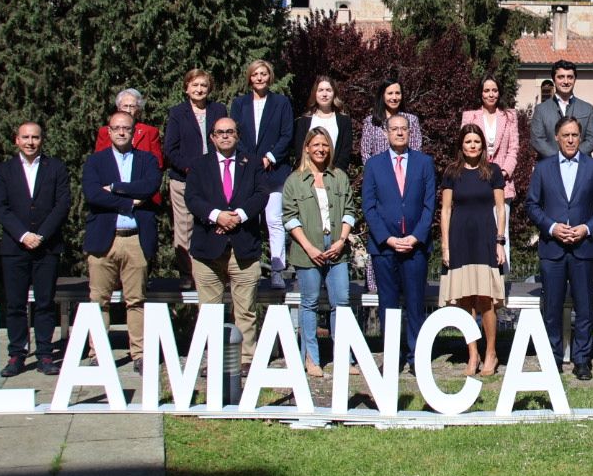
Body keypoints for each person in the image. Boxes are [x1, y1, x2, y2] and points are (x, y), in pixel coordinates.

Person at [525, 116, 593, 380]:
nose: (571, 140)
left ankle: (582, 359)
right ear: (557, 138)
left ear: (581, 137)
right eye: (566, 135)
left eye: (575, 135)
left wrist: (586, 228)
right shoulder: (542, 169)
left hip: (584, 247)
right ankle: (552, 357)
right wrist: (551, 227)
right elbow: (532, 205)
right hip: (553, 248)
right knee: (551, 307)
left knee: (584, 307)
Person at [184, 117, 270, 365]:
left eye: (229, 132)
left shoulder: (252, 163)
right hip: (207, 250)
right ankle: (213, 360)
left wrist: (238, 217)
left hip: (244, 247)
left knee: (245, 310)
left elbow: (261, 194)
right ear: (212, 137)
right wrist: (217, 216)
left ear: (237, 135)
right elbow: (192, 198)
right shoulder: (199, 165)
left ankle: (245, 359)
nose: (224, 136)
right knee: (209, 312)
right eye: (219, 132)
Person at [82, 111, 161, 371]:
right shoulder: (95, 162)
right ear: (109, 131)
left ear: (134, 130)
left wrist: (114, 188)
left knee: (136, 300)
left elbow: (150, 187)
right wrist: (129, 200)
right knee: (99, 300)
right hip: (105, 239)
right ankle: (97, 353)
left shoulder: (147, 160)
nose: (121, 132)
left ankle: (138, 354)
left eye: (126, 128)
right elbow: (93, 194)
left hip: (135, 239)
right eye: (116, 128)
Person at [0, 122, 71, 377]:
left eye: (35, 137)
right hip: (15, 247)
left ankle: (45, 354)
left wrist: (41, 235)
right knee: (15, 303)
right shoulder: (5, 170)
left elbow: (62, 204)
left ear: (42, 140)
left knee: (45, 303)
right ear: (16, 140)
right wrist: (24, 235)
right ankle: (17, 354)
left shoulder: (56, 168)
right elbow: (0, 206)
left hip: (46, 247)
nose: (30, 142)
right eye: (25, 137)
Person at [362, 113, 437, 369]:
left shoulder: (424, 163)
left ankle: (416, 358)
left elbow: (429, 206)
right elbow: (369, 208)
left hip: (416, 248)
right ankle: (392, 358)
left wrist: (416, 237)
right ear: (386, 133)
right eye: (394, 129)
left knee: (415, 305)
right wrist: (389, 239)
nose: (399, 133)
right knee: (388, 306)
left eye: (403, 129)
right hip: (385, 248)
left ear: (410, 132)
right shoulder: (373, 165)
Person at [282, 126, 354, 379]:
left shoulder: (339, 177)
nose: (321, 149)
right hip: (307, 249)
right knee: (309, 303)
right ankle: (311, 358)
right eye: (316, 145)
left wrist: (342, 240)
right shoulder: (294, 180)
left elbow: (349, 210)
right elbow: (289, 219)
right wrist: (310, 247)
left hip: (336, 249)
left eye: (325, 145)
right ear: (307, 148)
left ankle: (344, 357)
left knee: (342, 302)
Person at [439, 123, 507, 376]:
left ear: (482, 145)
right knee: (466, 301)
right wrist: (445, 247)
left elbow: (500, 209)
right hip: (459, 240)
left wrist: (500, 241)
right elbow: (445, 210)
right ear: (461, 145)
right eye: (468, 141)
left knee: (486, 300)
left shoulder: (492, 171)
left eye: (476, 141)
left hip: (485, 240)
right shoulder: (451, 172)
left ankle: (491, 353)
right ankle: (473, 354)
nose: (472, 145)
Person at [230, 59, 295, 289]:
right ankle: (250, 271)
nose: (259, 78)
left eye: (264, 74)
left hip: (274, 171)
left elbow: (287, 134)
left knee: (274, 221)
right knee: (248, 221)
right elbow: (234, 134)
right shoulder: (239, 104)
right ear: (249, 77)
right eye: (255, 74)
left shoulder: (281, 103)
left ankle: (278, 270)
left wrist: (270, 157)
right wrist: (252, 160)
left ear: (270, 77)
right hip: (247, 170)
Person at [164, 69, 227, 283]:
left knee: (213, 221)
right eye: (195, 85)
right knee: (185, 226)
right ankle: (186, 273)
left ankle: (212, 270)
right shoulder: (177, 113)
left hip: (213, 178)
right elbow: (170, 149)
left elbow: (226, 141)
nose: (199, 89)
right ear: (186, 88)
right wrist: (190, 169)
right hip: (183, 178)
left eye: (203, 85)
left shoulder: (219, 110)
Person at [461, 77, 519, 260]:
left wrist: (501, 174)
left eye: (494, 90)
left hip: (501, 183)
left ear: (499, 92)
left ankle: (500, 279)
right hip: (476, 181)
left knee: (502, 234)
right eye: (486, 90)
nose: (490, 94)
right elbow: (465, 147)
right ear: (480, 93)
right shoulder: (470, 116)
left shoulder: (509, 116)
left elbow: (513, 149)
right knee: (477, 231)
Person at [93, 88, 166, 203]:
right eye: (125, 106)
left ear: (138, 110)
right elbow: (98, 164)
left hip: (142, 194)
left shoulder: (150, 132)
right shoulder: (105, 132)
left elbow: (158, 164)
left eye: (132, 106)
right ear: (118, 108)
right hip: (111, 191)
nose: (128, 110)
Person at [530, 59, 593, 159]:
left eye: (570, 77)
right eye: (561, 77)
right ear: (554, 80)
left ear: (575, 80)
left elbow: (592, 139)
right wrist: (559, 158)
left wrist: (574, 156)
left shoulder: (587, 109)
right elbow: (537, 140)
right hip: (550, 167)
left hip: (580, 167)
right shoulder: (541, 110)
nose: (566, 81)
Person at [287, 74, 354, 173]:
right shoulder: (304, 121)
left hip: (335, 176)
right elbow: (300, 152)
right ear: (315, 93)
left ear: (334, 94)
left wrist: (334, 174)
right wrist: (309, 173)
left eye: (328, 90)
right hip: (308, 175)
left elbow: (345, 152)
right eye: (321, 90)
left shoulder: (344, 121)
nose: (324, 94)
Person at [359, 79, 422, 163]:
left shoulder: (412, 120)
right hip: (378, 172)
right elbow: (366, 153)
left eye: (397, 93)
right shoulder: (371, 122)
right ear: (383, 96)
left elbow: (416, 150)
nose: (394, 97)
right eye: (390, 93)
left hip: (405, 172)